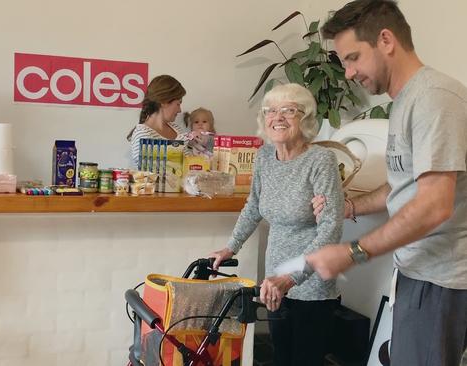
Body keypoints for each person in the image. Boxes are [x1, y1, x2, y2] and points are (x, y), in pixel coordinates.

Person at [307, 1, 467, 365]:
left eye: (352, 58)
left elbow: (434, 204)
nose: (348, 73)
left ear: (385, 40)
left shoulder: (434, 99)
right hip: (417, 273)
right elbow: (403, 186)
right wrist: (350, 207)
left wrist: (353, 252)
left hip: (441, 281)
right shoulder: (406, 100)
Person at [209, 83, 344, 366]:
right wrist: (230, 247)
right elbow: (253, 206)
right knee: (280, 357)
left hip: (312, 286)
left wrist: (291, 277)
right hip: (274, 281)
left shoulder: (321, 160)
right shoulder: (264, 157)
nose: (277, 117)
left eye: (289, 110)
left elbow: (330, 228)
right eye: (271, 111)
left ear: (305, 118)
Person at [127, 75, 189, 168]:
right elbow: (151, 171)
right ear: (164, 102)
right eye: (178, 104)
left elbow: (187, 165)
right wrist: (181, 143)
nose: (180, 110)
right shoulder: (142, 134)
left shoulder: (176, 129)